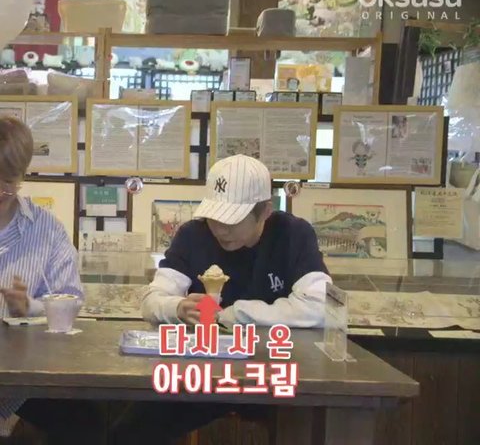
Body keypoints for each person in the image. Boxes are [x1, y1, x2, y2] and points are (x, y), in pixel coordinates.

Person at [111, 154, 331, 444]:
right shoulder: (194, 234)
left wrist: (236, 314)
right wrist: (177, 307)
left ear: (265, 211)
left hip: (276, 371)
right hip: (203, 373)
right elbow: (152, 300)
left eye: (232, 219)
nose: (221, 229)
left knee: (313, 426)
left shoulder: (292, 234)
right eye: (215, 217)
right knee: (128, 432)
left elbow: (320, 306)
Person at [0, 116, 102, 444]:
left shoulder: (46, 230)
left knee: (88, 425)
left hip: (26, 380)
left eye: (8, 182)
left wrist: (28, 307)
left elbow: (70, 301)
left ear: (23, 175)